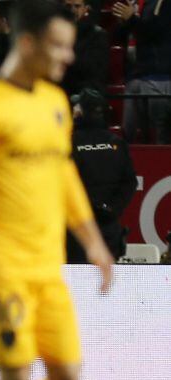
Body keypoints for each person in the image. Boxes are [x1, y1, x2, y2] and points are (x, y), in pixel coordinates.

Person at [0, 1, 113, 380]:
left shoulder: (55, 102)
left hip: (48, 266)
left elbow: (64, 177)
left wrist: (93, 242)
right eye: (58, 46)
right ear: (27, 43)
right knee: (17, 378)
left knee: (66, 376)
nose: (68, 56)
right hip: (1, 265)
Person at [67, 88, 137, 262]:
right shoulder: (117, 143)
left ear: (81, 112)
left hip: (78, 230)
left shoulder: (68, 143)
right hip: (109, 228)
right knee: (106, 278)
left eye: (77, 107)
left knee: (77, 278)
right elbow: (130, 182)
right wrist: (110, 208)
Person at [113, 0, 171, 144]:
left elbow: (156, 31)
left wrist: (131, 18)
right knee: (129, 134)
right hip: (135, 76)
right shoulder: (135, 3)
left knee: (158, 134)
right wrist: (123, 22)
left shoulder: (165, 3)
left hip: (159, 76)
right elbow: (118, 37)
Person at [61, 0, 108, 95]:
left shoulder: (97, 35)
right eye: (68, 6)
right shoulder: (55, 33)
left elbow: (93, 71)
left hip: (86, 91)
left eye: (77, 6)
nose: (72, 10)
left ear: (86, 9)